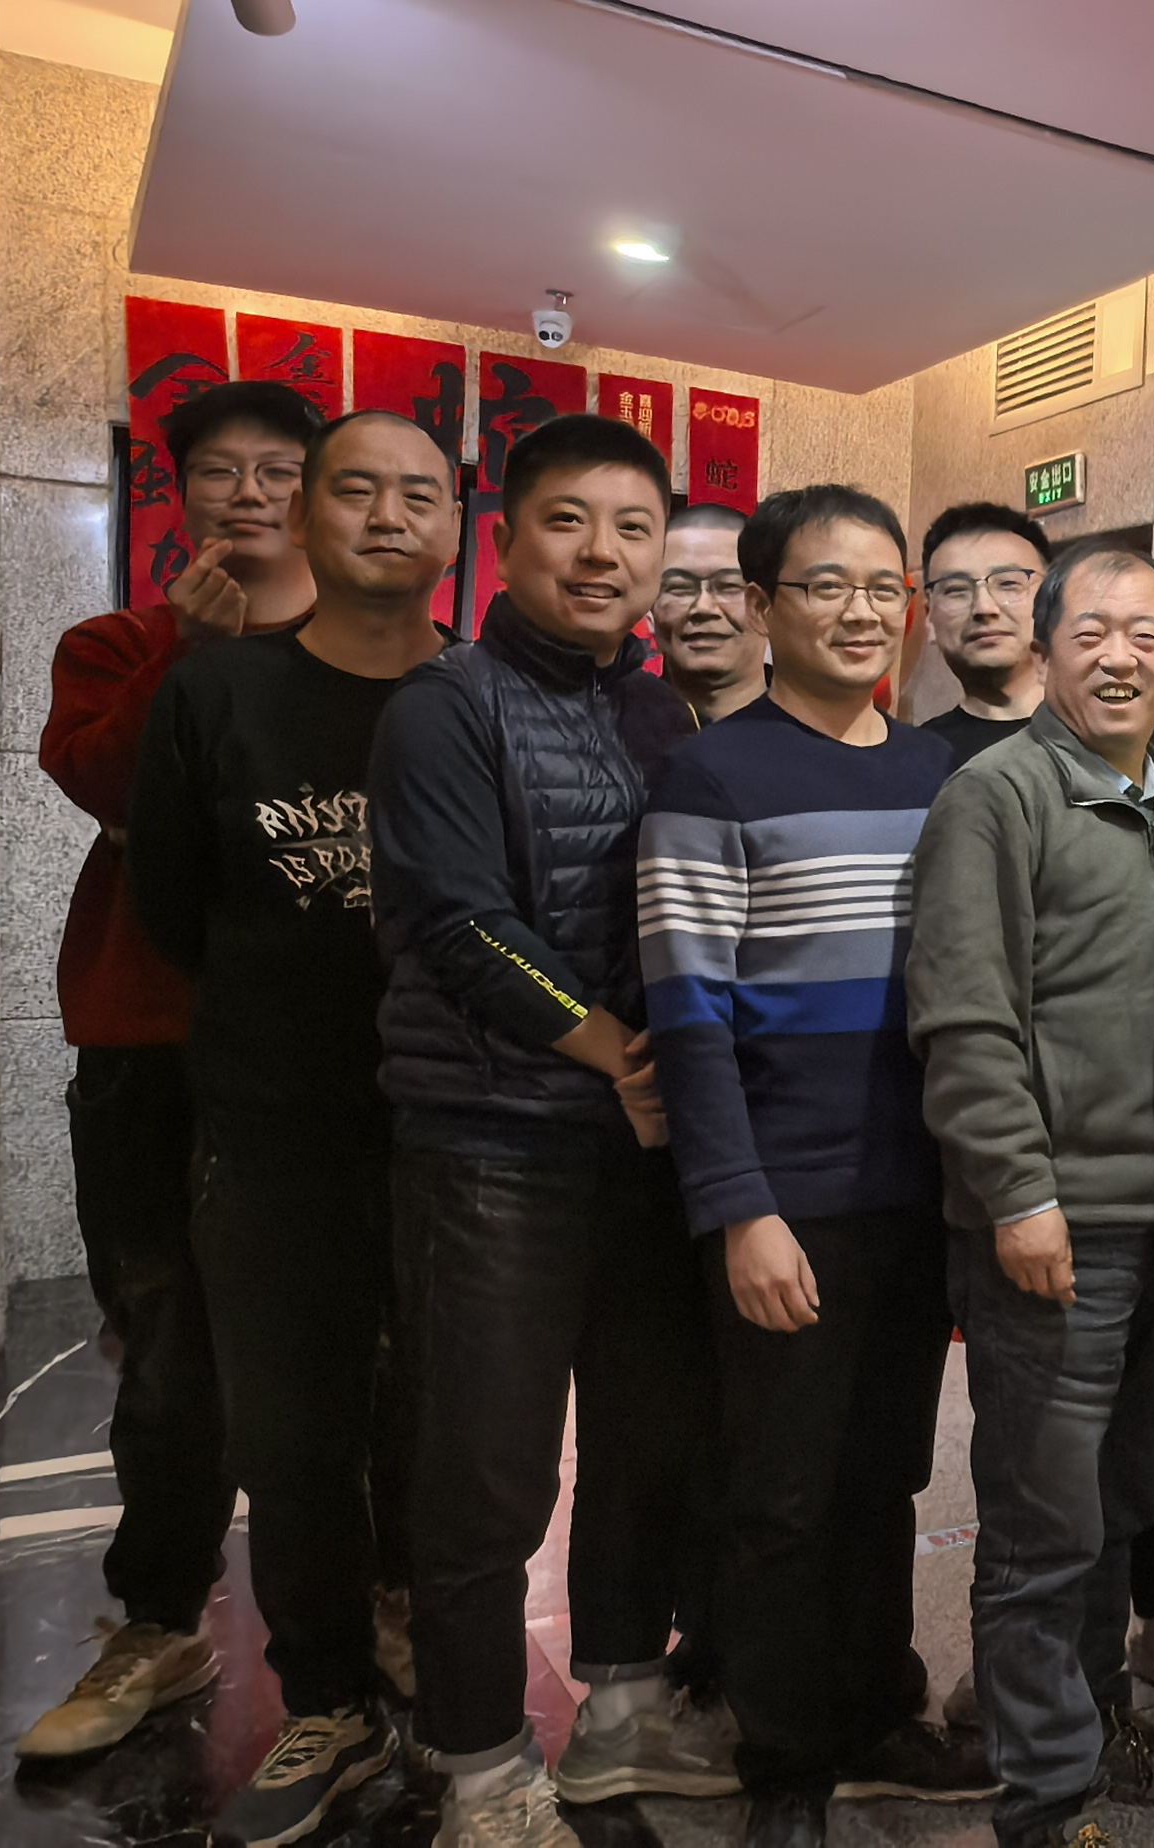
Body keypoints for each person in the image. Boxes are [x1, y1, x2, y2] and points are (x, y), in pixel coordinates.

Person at [369, 414, 729, 1845]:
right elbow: (455, 922)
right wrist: (618, 1057)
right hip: (492, 1145)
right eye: (568, 521)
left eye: (633, 528)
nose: (602, 553)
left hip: (638, 1150)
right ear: (505, 539)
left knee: (645, 1443)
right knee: (486, 1470)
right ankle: (479, 1766)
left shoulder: (659, 714)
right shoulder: (443, 704)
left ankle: (623, 1713)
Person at [637, 484, 992, 1844]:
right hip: (788, 1201)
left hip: (917, 1191)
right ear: (764, 604)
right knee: (780, 1490)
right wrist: (739, 1210)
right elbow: (688, 1011)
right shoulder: (712, 778)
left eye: (881, 587)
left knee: (883, 1474)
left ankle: (876, 1707)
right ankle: (783, 1757)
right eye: (824, 585)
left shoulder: (935, 773)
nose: (859, 611)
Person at [122, 408, 457, 1842]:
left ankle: (437, 1652)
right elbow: (171, 903)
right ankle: (324, 1699)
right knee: (294, 1428)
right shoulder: (219, 691)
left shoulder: (479, 693)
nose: (388, 516)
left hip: (458, 1126)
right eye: (357, 490)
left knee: (449, 1417)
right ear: (309, 515)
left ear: (456, 527)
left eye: (419, 495)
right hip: (272, 1122)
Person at [21, 378, 321, 1763]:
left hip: (325, 1050)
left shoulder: (372, 653)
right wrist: (183, 663)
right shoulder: (119, 643)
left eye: (279, 470)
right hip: (150, 1048)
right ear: (177, 490)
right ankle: (159, 1617)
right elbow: (101, 786)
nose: (249, 493)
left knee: (365, 1340)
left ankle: (376, 1602)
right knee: (163, 1344)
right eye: (220, 471)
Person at [908, 547, 1154, 1848]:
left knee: (1119, 1508)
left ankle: (1092, 1727)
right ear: (1046, 651)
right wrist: (1017, 1194)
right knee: (1040, 1527)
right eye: (1090, 632)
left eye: (1145, 633)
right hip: (1054, 1228)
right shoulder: (998, 795)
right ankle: (1044, 1800)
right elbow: (964, 1017)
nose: (1119, 656)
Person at [917, 500, 1050, 759]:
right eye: (956, 590)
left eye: (1008, 584)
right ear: (929, 617)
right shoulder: (917, 760)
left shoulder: (1112, 740)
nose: (983, 608)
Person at [657, 501, 766, 723]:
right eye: (679, 587)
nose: (703, 608)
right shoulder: (610, 729)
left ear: (767, 604)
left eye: (729, 586)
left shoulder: (822, 729)